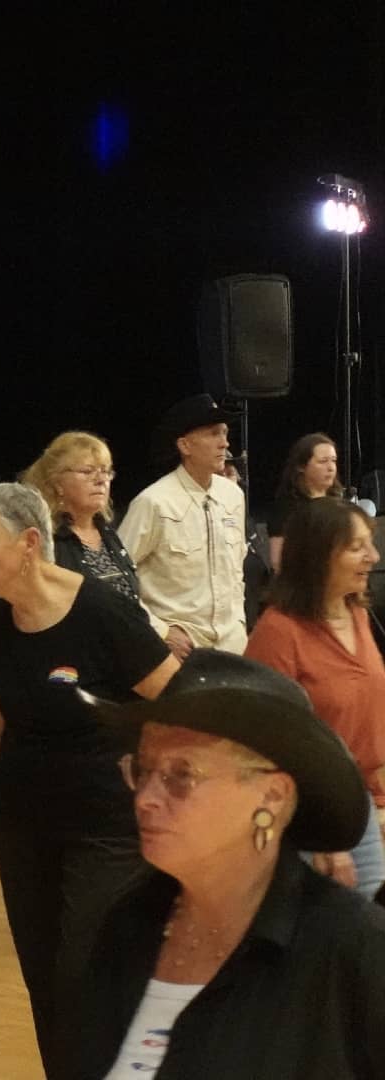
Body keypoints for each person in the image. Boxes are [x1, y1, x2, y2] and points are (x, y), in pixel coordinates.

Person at [0, 482, 179, 1079]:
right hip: (22, 826)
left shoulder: (103, 613)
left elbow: (179, 700)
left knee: (85, 972)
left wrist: (161, 781)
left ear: (30, 542)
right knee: (45, 979)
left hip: (107, 828)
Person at [59, 649, 385, 1079]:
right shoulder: (127, 924)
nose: (145, 798)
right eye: (143, 769)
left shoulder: (350, 946)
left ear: (271, 795)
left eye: (181, 775)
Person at [244, 496, 385, 896]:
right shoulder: (278, 632)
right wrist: (319, 834)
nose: (373, 556)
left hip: (359, 803)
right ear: (320, 556)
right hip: (311, 817)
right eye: (357, 547)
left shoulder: (355, 613)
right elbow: (268, 747)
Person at [117, 393, 250, 656]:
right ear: (185, 446)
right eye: (213, 433)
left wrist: (239, 622)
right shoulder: (154, 503)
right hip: (178, 649)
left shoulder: (233, 495)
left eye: (225, 433)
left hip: (232, 646)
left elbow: (236, 571)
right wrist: (160, 630)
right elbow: (116, 578)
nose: (225, 443)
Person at [21, 431, 145, 610]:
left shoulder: (107, 532)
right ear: (57, 483)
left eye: (105, 471)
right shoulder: (44, 539)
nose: (101, 480)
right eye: (87, 471)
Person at [267, 432, 339, 572]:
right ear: (301, 466)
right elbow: (278, 562)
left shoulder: (339, 503)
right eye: (323, 461)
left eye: (334, 460)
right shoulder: (287, 508)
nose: (331, 468)